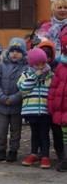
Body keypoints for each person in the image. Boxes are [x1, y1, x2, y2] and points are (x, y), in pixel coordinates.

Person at [0, 38, 26, 162]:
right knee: (1, 130)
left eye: (18, 51)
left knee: (16, 130)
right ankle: (1, 150)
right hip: (1, 105)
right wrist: (1, 97)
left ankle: (13, 150)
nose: (15, 54)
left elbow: (26, 85)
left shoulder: (26, 68)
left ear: (24, 53)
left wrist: (14, 98)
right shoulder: (1, 65)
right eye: (12, 51)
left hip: (17, 105)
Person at [19, 48, 54, 168]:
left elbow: (52, 88)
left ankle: (45, 155)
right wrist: (34, 76)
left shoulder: (50, 74)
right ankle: (34, 153)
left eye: (42, 63)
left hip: (44, 110)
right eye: (37, 63)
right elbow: (23, 88)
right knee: (34, 133)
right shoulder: (26, 74)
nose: (40, 66)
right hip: (31, 109)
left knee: (44, 133)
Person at [47, 41, 67, 172]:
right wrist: (51, 105)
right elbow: (54, 87)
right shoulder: (61, 66)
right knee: (59, 136)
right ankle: (62, 158)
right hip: (59, 109)